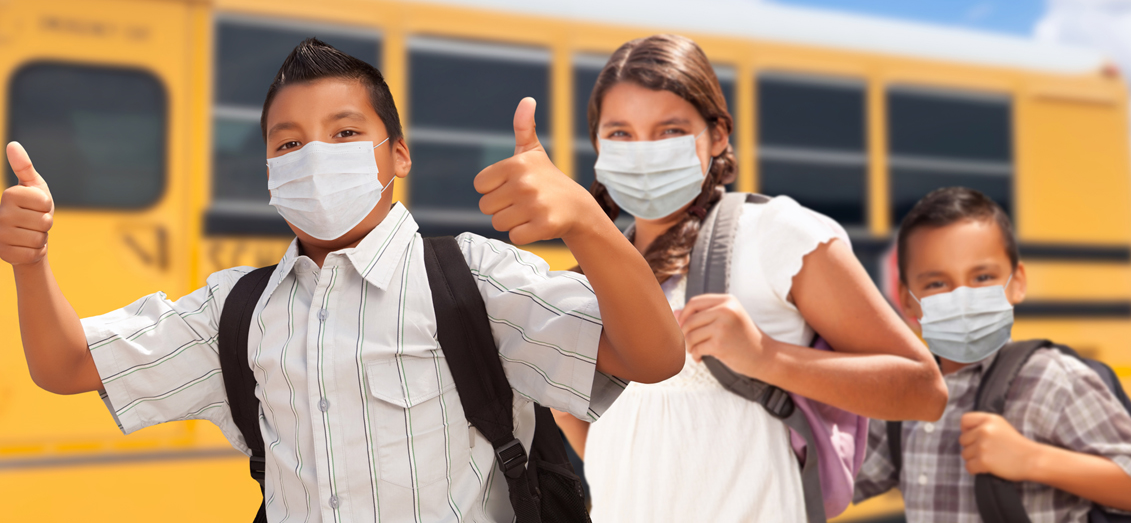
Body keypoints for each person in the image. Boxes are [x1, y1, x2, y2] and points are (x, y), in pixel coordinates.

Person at [0, 38, 685, 522]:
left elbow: (653, 356)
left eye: (345, 132)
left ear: (398, 154)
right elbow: (66, 364)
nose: (314, 157)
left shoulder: (472, 280)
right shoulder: (237, 309)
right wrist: (31, 264)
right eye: (288, 143)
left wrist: (587, 225)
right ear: (270, 171)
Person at [553, 34, 948, 522]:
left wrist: (765, 356)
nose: (643, 153)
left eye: (670, 130)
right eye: (621, 134)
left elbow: (924, 391)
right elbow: (600, 437)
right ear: (597, 144)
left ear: (717, 135)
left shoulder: (776, 234)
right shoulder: (594, 275)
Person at [853, 186, 1131, 521]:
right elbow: (832, 484)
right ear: (907, 300)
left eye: (982, 277)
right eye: (936, 284)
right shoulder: (905, 398)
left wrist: (1032, 460)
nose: (962, 297)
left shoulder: (1053, 378)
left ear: (1017, 283)